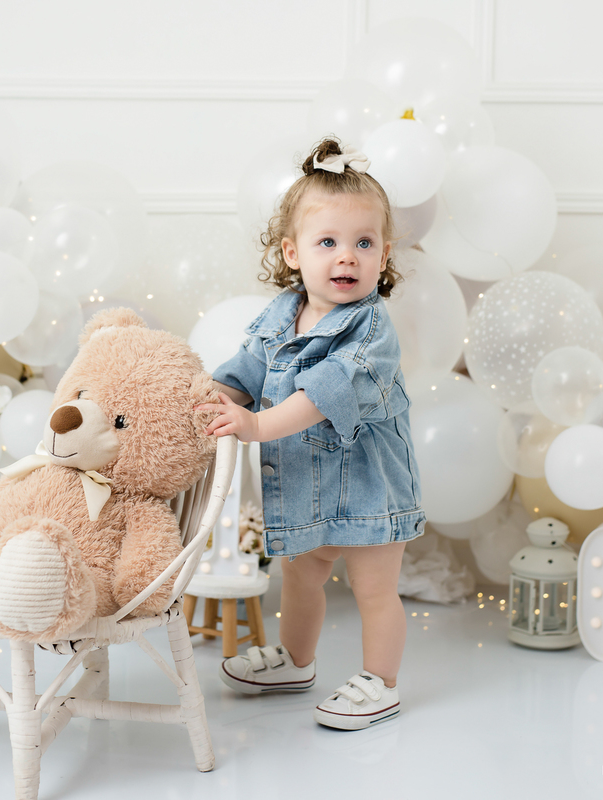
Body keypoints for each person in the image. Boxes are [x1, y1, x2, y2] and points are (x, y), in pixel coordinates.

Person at [198, 138, 425, 730]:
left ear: (384, 254)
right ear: (292, 253)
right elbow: (247, 372)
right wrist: (208, 398)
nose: (346, 257)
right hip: (308, 481)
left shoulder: (371, 329)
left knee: (375, 587)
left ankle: (383, 679)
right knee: (302, 576)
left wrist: (254, 425)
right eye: (328, 242)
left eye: (363, 243)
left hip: (370, 483)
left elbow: (323, 396)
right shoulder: (280, 315)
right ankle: (297, 661)